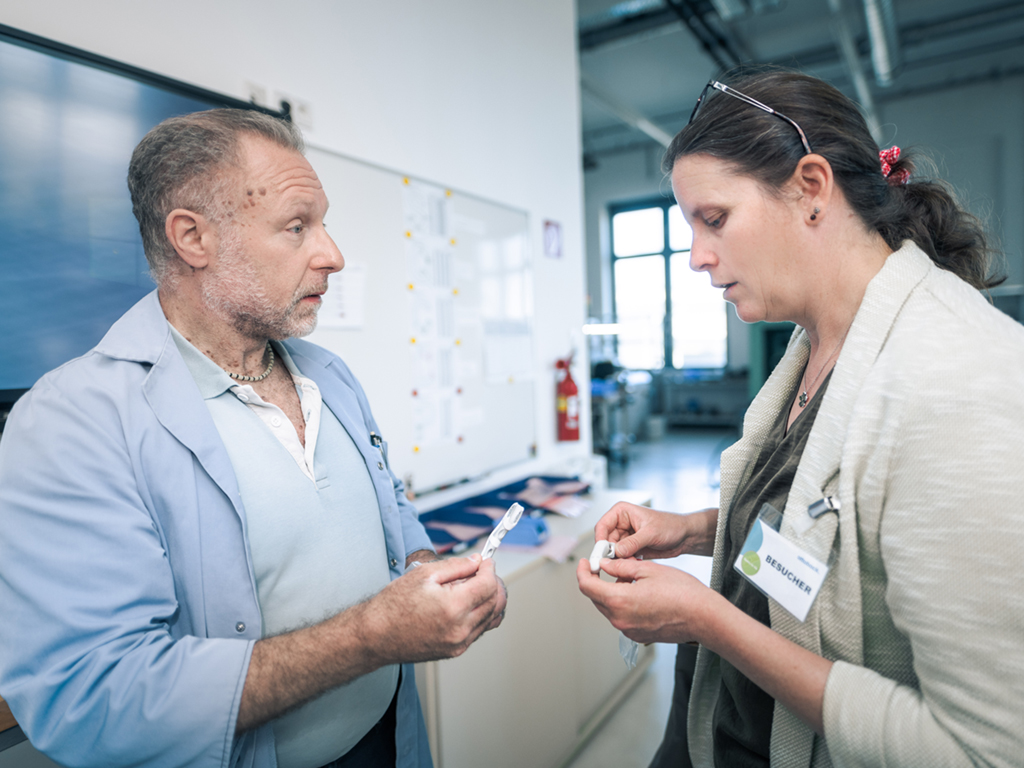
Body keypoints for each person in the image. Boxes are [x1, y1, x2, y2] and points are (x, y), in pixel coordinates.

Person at [0, 108, 506, 768]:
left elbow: (392, 518)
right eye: (298, 227)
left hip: (389, 740)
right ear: (193, 238)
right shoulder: (74, 421)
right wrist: (372, 637)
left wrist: (429, 573)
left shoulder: (331, 376)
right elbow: (94, 699)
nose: (333, 254)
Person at [578, 66, 1024, 768]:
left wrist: (707, 620)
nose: (695, 257)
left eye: (714, 219)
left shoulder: (958, 381)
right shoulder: (818, 341)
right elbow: (824, 537)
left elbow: (980, 750)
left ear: (811, 188)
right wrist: (699, 532)